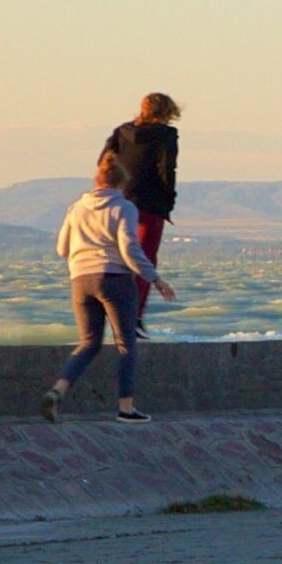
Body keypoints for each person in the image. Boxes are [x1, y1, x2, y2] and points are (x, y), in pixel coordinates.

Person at [46, 160, 174, 424]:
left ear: (97, 180)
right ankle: (126, 408)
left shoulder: (76, 208)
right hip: (114, 279)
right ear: (121, 183)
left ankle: (58, 390)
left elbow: (61, 248)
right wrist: (155, 279)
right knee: (126, 344)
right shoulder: (123, 207)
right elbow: (129, 249)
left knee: (88, 343)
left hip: (80, 280)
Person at [103, 94, 182, 262]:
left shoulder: (122, 132)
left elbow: (103, 162)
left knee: (117, 257)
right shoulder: (167, 134)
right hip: (151, 203)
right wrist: (168, 201)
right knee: (145, 257)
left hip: (118, 200)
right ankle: (139, 289)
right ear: (168, 112)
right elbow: (167, 169)